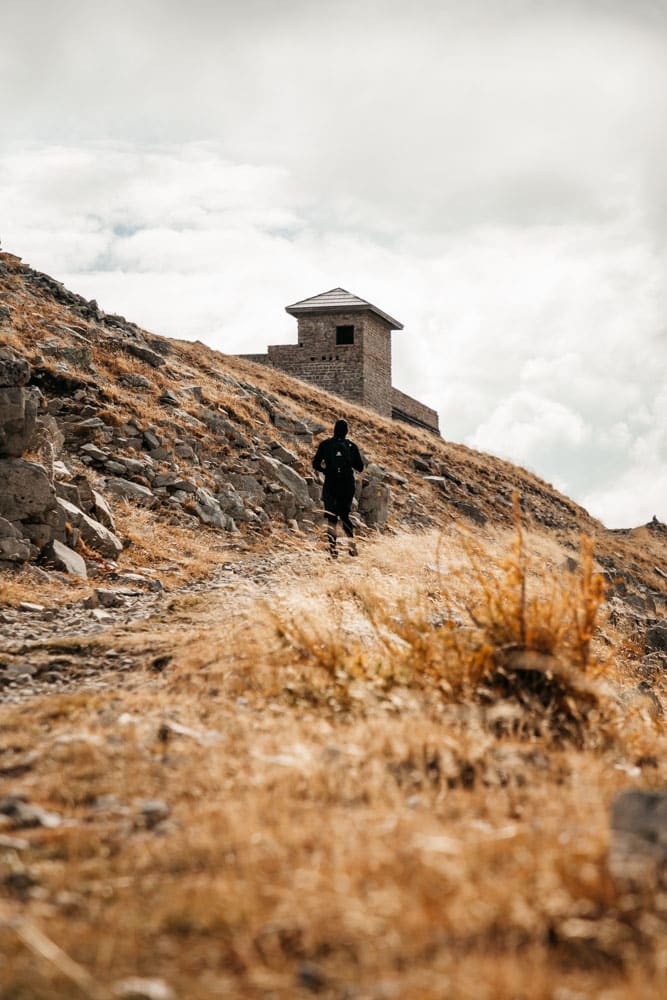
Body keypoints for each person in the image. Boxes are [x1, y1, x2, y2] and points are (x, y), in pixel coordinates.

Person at [312, 418, 364, 558]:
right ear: (346, 432)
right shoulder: (351, 446)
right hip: (347, 485)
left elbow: (315, 464)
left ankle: (332, 551)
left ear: (334, 429)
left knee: (331, 517)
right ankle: (352, 548)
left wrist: (326, 470)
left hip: (331, 483)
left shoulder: (325, 444)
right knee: (345, 516)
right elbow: (360, 467)